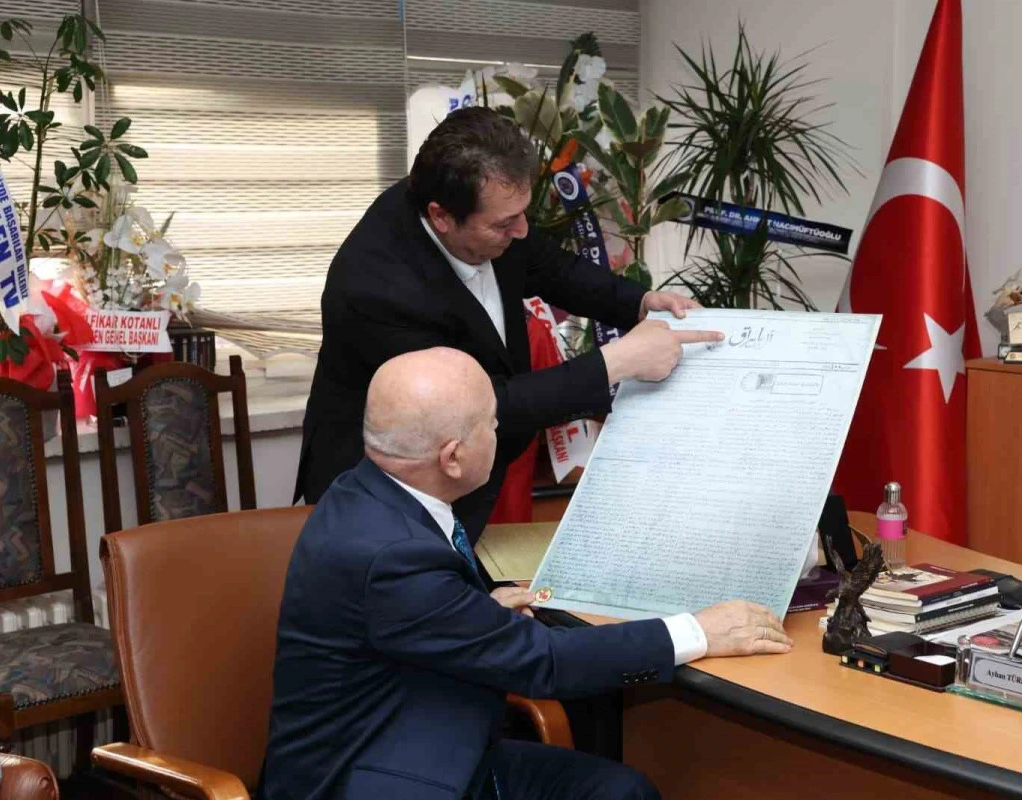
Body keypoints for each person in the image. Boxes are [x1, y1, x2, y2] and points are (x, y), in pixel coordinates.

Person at [260, 348, 792, 800]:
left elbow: (404, 619)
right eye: (491, 423)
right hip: (379, 778)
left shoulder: (363, 493)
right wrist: (699, 631)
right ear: (452, 457)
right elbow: (546, 663)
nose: (500, 431)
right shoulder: (394, 557)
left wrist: (472, 613)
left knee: (620, 790)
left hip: (415, 737)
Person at [295, 106, 721, 537]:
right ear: (441, 217)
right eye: (504, 223)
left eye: (522, 214)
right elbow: (478, 404)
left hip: (466, 478)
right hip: (390, 504)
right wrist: (618, 361)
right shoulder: (377, 288)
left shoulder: (487, 213)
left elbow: (549, 267)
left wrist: (640, 302)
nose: (521, 232)